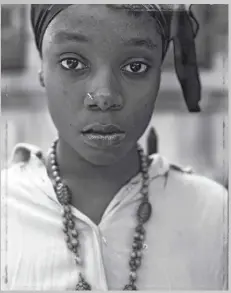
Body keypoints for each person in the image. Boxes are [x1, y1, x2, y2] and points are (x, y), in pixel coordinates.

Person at [1, 4, 227, 291]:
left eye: (136, 66)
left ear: (159, 72)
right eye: (72, 63)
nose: (104, 96)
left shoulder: (215, 216)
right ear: (41, 68)